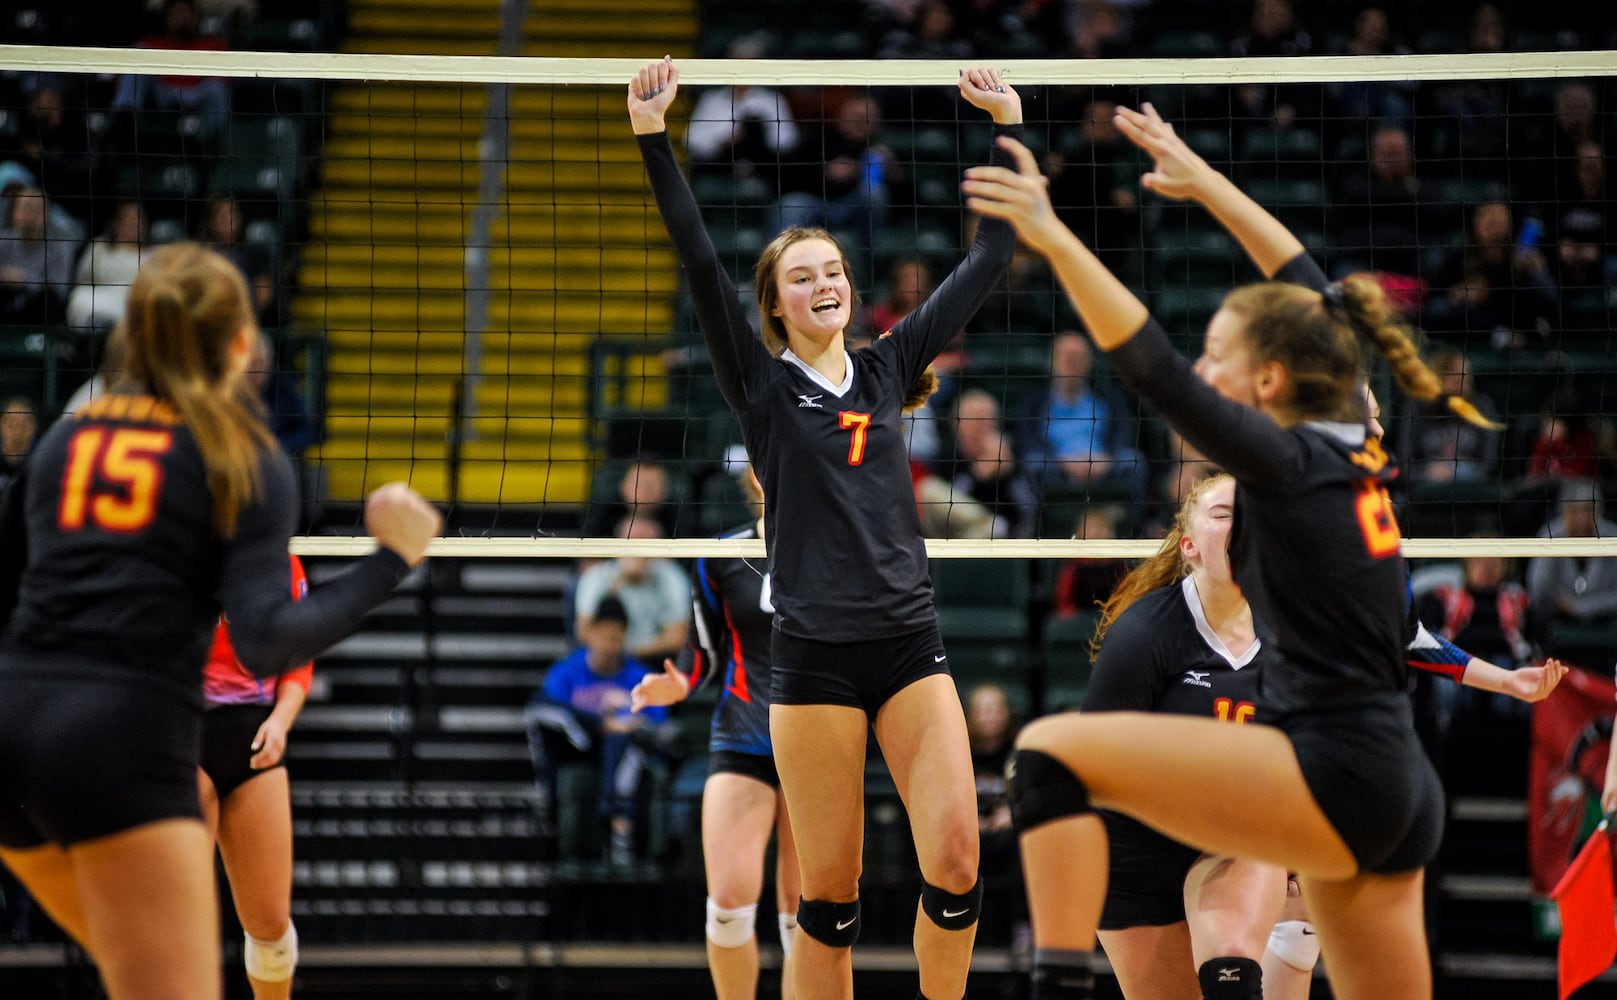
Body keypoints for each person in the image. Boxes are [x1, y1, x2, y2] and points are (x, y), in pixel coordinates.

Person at [960, 100, 1499, 999]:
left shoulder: (1284, 463)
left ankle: (1054, 979)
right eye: (1206, 355)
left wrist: (1052, 237)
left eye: (1221, 356)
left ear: (1269, 381)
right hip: (1400, 782)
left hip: (1330, 771)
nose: (1206, 373)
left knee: (1046, 757)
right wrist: (1205, 181)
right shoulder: (1350, 434)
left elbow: (1151, 367)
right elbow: (1306, 281)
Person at [630, 56, 1022, 1000]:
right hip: (810, 657)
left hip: (907, 643)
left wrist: (1009, 125)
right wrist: (653, 137)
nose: (824, 285)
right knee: (830, 900)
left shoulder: (889, 367)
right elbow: (695, 256)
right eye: (802, 278)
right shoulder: (760, 386)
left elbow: (993, 256)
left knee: (959, 866)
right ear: (775, 305)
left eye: (834, 271)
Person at [0, 242, 440, 1000]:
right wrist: (389, 562)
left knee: (133, 963)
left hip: (12, 726)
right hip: (121, 738)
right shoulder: (243, 459)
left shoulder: (65, 438)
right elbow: (267, 637)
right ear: (242, 345)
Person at [1082, 471, 1565, 999]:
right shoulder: (1146, 634)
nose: (1242, 526)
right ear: (1190, 545)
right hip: (1136, 848)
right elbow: (1097, 768)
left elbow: (1400, 635)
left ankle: (1291, 932)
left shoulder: (1299, 614)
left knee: (1234, 962)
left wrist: (1506, 681)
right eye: (1223, 515)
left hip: (1232, 833)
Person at [630, 463, 802, 1000]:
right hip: (744, 733)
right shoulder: (722, 554)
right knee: (728, 903)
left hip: (820, 742)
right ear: (756, 475)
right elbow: (702, 652)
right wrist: (677, 683)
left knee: (808, 916)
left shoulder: (841, 549)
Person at [198, 555, 313, 1000]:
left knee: (270, 925)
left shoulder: (281, 563)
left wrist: (281, 722)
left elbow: (298, 660)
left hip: (253, 739)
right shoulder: (169, 544)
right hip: (183, 733)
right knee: (180, 920)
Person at [525, 595, 669, 865]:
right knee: (539, 712)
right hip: (580, 746)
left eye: (615, 638)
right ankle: (547, 797)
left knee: (628, 740)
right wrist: (599, 724)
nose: (609, 645)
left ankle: (618, 824)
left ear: (624, 637)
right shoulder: (567, 671)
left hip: (625, 754)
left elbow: (658, 726)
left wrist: (627, 723)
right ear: (590, 634)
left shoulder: (640, 676)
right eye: (603, 636)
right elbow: (548, 710)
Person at [572, 516, 691, 664]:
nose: (637, 548)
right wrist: (618, 584)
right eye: (633, 539)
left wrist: (629, 653)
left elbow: (677, 639)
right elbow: (583, 633)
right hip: (606, 659)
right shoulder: (596, 576)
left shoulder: (672, 577)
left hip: (654, 662)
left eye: (645, 541)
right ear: (619, 541)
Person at [67, 199, 155, 334]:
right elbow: (83, 280)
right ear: (117, 223)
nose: (133, 223)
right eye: (129, 218)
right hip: (103, 300)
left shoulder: (153, 254)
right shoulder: (99, 248)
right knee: (80, 296)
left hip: (136, 301)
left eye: (138, 218)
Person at [0, 396, 38, 497]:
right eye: (11, 424)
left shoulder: (42, 464)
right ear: (1, 426)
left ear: (34, 428)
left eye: (24, 424)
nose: (18, 431)